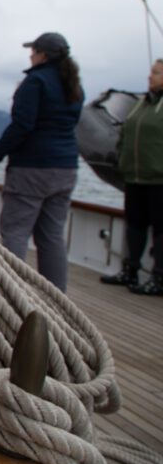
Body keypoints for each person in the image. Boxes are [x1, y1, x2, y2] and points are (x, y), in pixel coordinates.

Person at [0, 32, 84, 292]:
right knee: (51, 236)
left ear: (42, 55)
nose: (30, 55)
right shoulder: (73, 86)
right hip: (66, 168)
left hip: (32, 169)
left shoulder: (35, 82)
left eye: (33, 51)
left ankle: (12, 294)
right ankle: (57, 297)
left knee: (16, 231)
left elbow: (22, 126)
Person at [100, 59, 163, 295]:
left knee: (161, 229)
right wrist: (121, 159)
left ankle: (159, 277)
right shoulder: (141, 105)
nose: (150, 77)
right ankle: (130, 270)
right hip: (135, 177)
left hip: (159, 180)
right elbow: (124, 135)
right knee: (135, 226)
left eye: (156, 73)